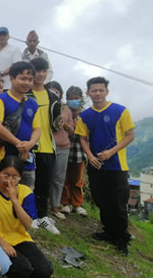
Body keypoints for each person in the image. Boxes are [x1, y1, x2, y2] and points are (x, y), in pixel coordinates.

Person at [75, 76, 134, 254]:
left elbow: (130, 135)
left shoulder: (120, 111)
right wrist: (90, 156)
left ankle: (122, 238)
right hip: (96, 165)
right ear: (88, 93)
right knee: (101, 199)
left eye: (101, 90)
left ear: (107, 91)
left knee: (118, 203)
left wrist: (111, 152)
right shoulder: (85, 116)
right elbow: (82, 138)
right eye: (94, 90)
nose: (98, 93)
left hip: (117, 166)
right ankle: (108, 231)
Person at [0, 156, 54, 278]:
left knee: (44, 270)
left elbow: (28, 224)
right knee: (23, 269)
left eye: (14, 177)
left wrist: (14, 200)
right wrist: (3, 243)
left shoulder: (25, 192)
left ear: (20, 177)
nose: (9, 180)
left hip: (21, 238)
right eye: (5, 175)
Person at [0, 62, 41, 186]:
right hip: (4, 157)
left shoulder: (33, 104)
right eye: (22, 78)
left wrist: (29, 145)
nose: (26, 83)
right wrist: (20, 145)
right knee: (5, 192)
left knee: (27, 192)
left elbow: (37, 129)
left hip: (27, 157)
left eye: (30, 79)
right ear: (11, 79)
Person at [24, 57, 59, 234]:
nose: (41, 74)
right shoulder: (24, 95)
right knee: (27, 185)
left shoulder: (53, 96)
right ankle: (29, 217)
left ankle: (43, 217)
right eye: (38, 71)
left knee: (44, 185)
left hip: (48, 147)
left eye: (44, 71)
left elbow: (55, 124)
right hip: (30, 146)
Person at [59, 86, 88, 216]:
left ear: (81, 99)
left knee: (77, 179)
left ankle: (77, 204)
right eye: (71, 99)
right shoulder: (63, 113)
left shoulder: (85, 116)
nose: (73, 101)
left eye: (76, 99)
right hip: (64, 150)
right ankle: (65, 203)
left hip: (79, 152)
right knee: (64, 178)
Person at [45, 81, 72, 220]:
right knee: (44, 176)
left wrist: (64, 123)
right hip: (47, 145)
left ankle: (55, 206)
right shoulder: (44, 104)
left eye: (57, 91)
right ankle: (42, 205)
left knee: (58, 178)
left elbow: (72, 130)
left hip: (63, 147)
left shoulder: (65, 109)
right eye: (51, 90)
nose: (54, 93)